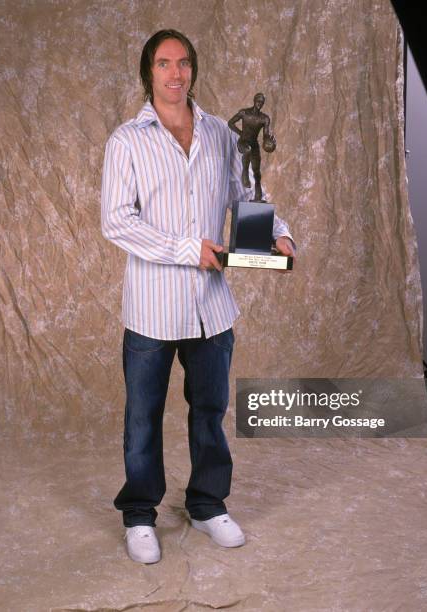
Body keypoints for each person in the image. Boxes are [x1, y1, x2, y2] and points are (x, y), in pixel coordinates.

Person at [100, 29, 295, 564]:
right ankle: (140, 514)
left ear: (193, 71)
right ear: (149, 72)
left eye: (183, 63)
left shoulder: (217, 133)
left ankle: (208, 504)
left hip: (211, 306)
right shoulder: (126, 141)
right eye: (164, 64)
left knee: (209, 410)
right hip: (152, 306)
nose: (175, 74)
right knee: (143, 416)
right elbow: (117, 222)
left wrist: (278, 233)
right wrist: (190, 249)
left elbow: (245, 193)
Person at [227, 93, 275, 202]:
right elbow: (230, 123)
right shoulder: (244, 113)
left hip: (254, 145)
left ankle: (258, 197)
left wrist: (270, 141)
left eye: (262, 102)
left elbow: (265, 135)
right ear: (254, 100)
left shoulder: (264, 119)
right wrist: (240, 133)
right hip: (243, 142)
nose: (260, 104)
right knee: (247, 150)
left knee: (257, 173)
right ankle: (245, 172)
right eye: (258, 101)